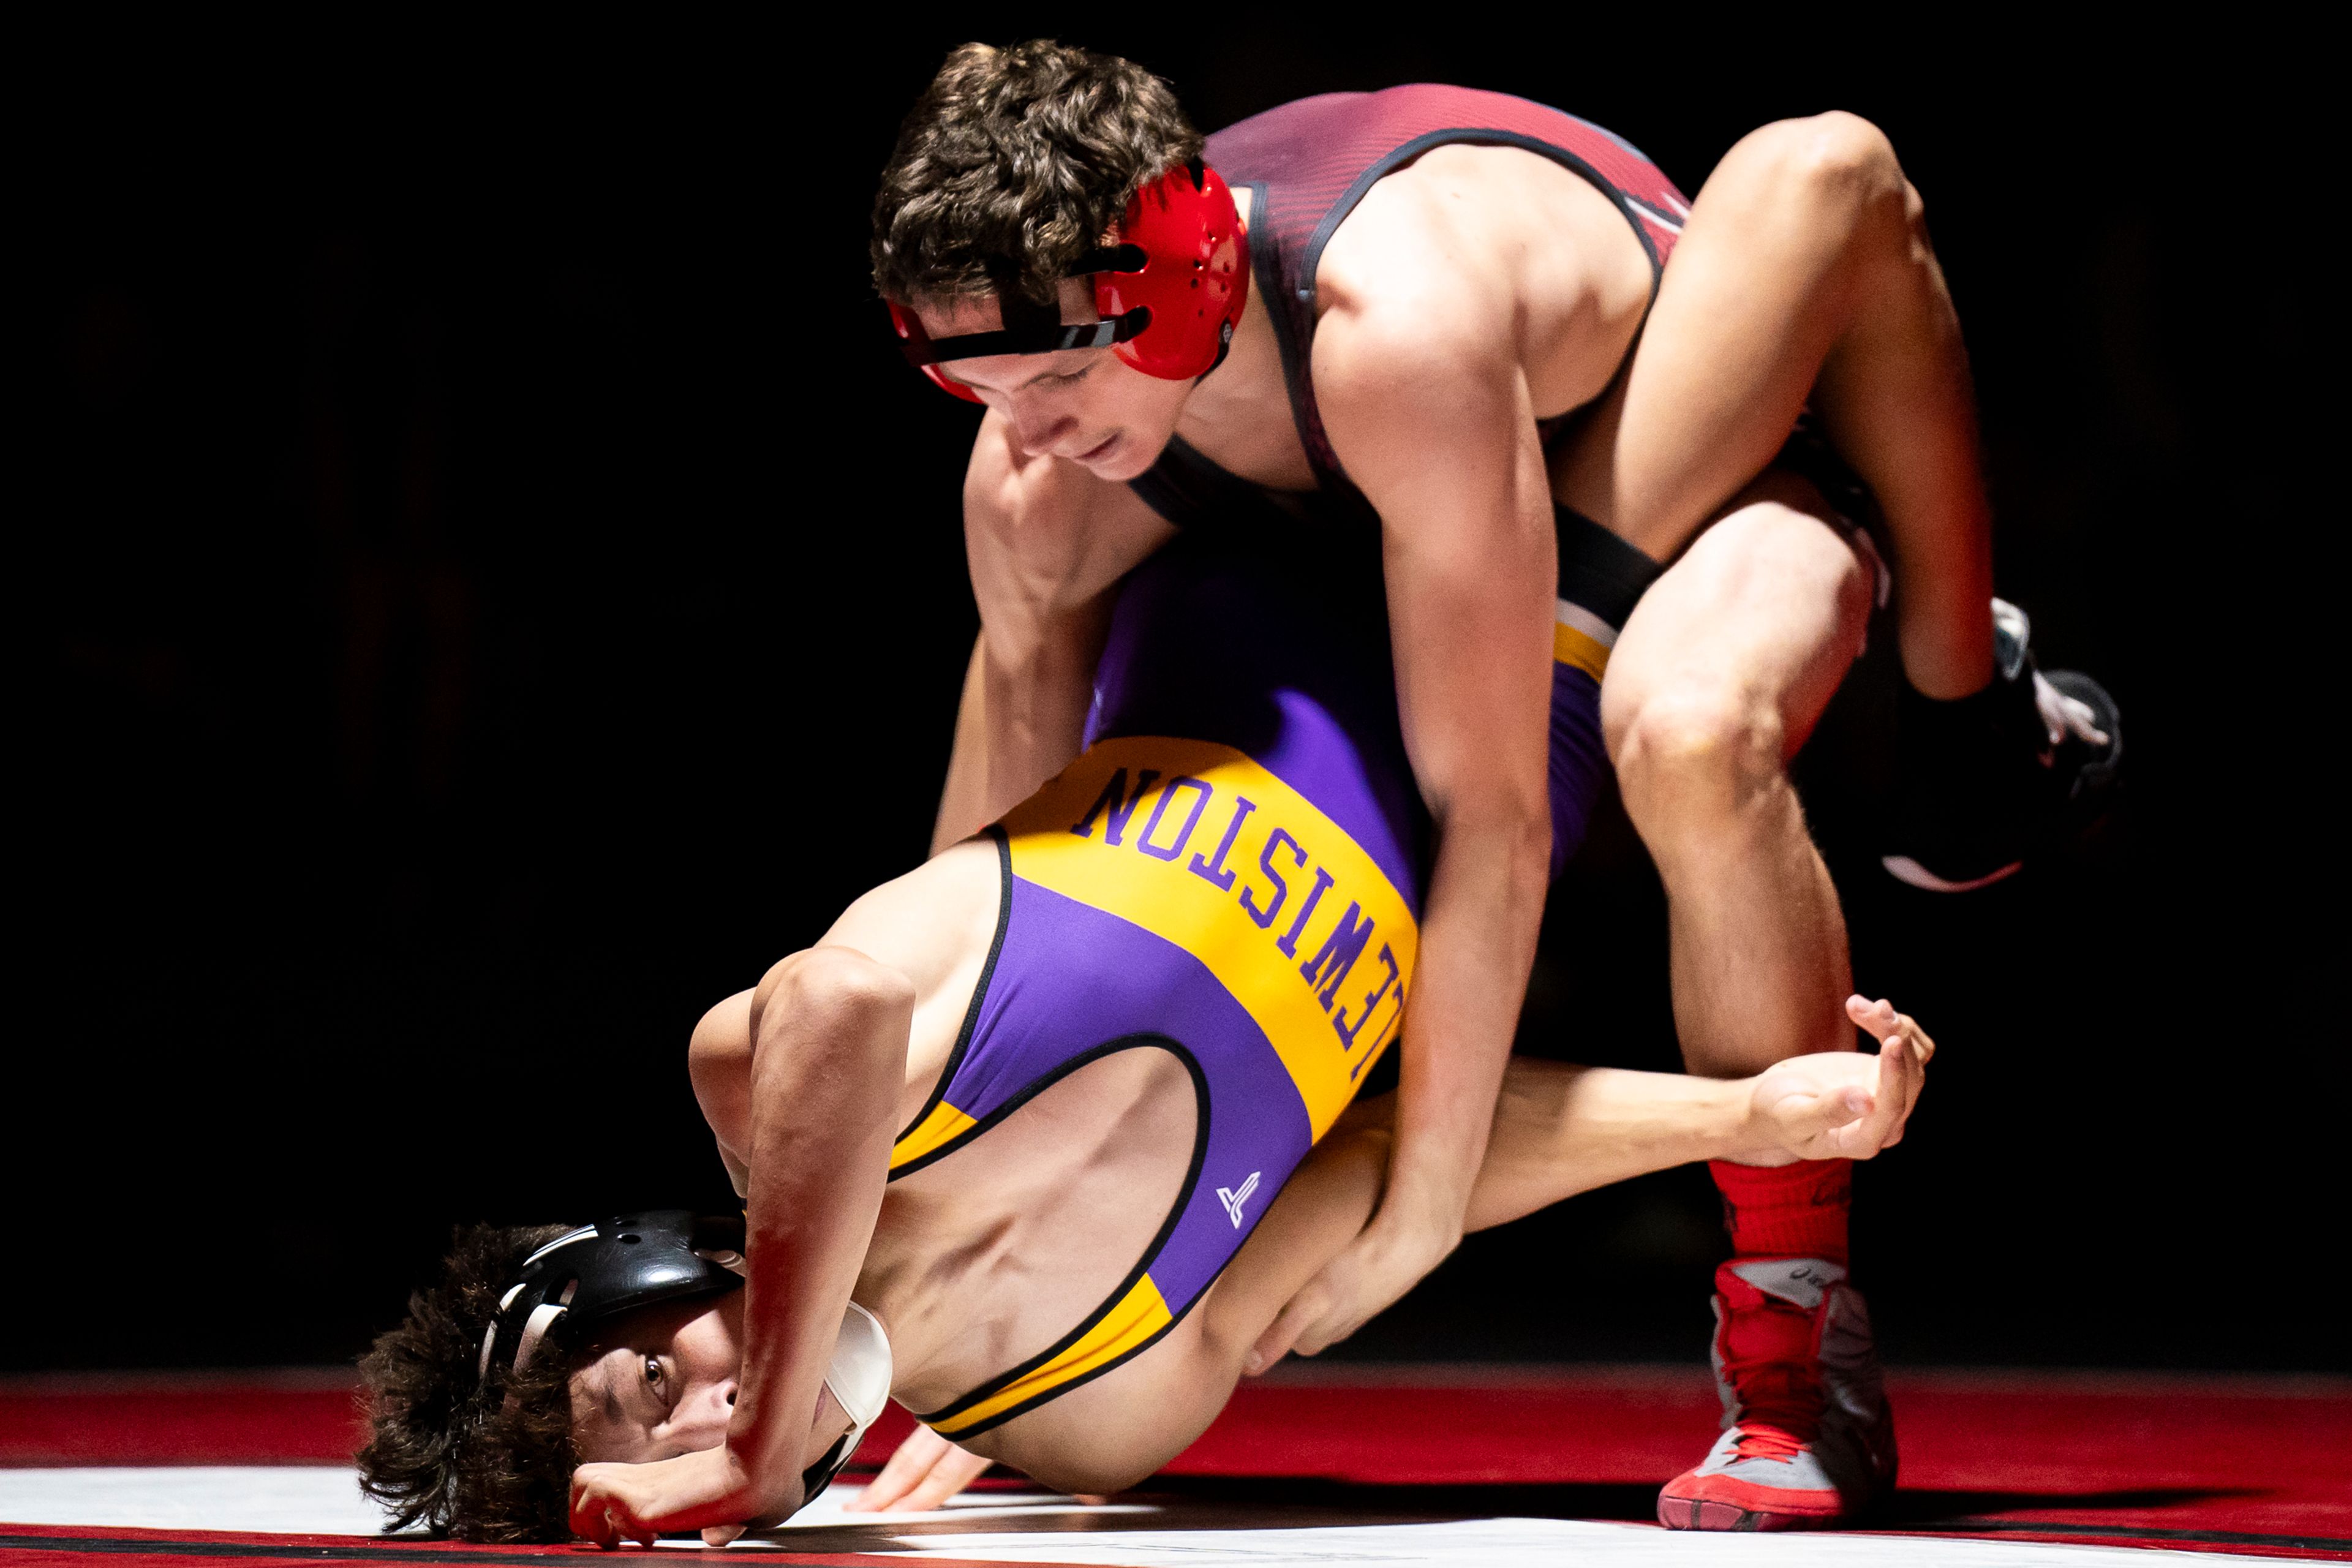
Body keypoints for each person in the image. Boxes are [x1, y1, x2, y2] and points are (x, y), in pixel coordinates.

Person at [869, 42, 2117, 1527]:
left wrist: (1423, 1216)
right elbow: (987, 902)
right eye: (975, 382)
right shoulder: (1036, 480)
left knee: (1693, 730)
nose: (1032, 427)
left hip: (1691, 451)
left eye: (1065, 371)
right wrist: (958, 1324)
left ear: (1190, 282)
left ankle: (1799, 1337)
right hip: (1408, 553)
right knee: (1138, 819)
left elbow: (1500, 819)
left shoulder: (1395, 327)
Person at [356, 521, 1939, 1545]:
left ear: (651, 1266)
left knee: (1807, 189)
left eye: (652, 1381)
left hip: (1280, 538)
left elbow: (835, 998)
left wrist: (763, 1434)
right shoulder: (1106, 1416)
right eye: (670, 1456)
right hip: (1540, 678)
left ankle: (1984, 704)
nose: (697, 1424)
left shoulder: (767, 1089)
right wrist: (1737, 1119)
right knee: (1711, 689)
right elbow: (1391, 1163)